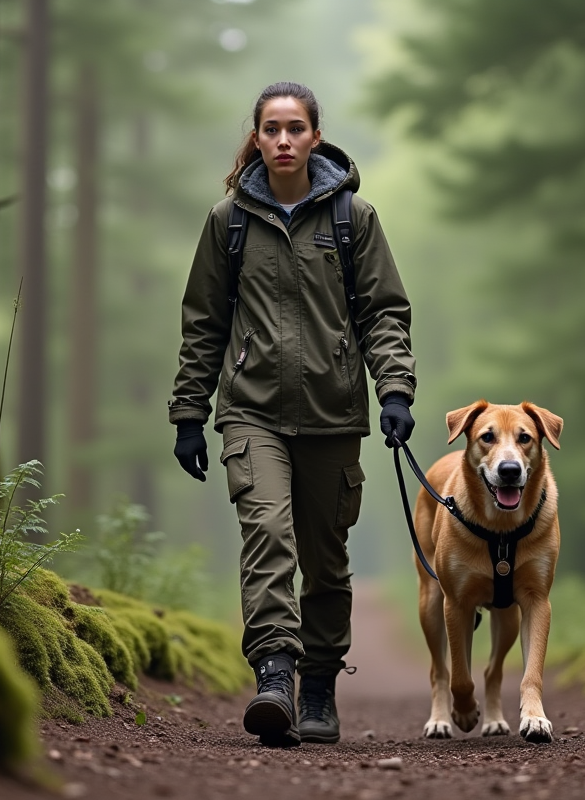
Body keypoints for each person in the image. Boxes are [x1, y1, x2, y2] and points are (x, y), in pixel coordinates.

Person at [168, 82, 417, 747]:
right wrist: (190, 412)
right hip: (251, 412)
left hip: (334, 416)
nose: (283, 139)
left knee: (326, 560)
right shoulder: (229, 222)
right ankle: (274, 675)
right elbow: (203, 323)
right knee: (267, 537)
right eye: (271, 129)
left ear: (314, 137)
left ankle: (320, 687)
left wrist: (395, 392)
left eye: (295, 128)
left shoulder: (352, 219)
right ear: (256, 137)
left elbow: (384, 313)